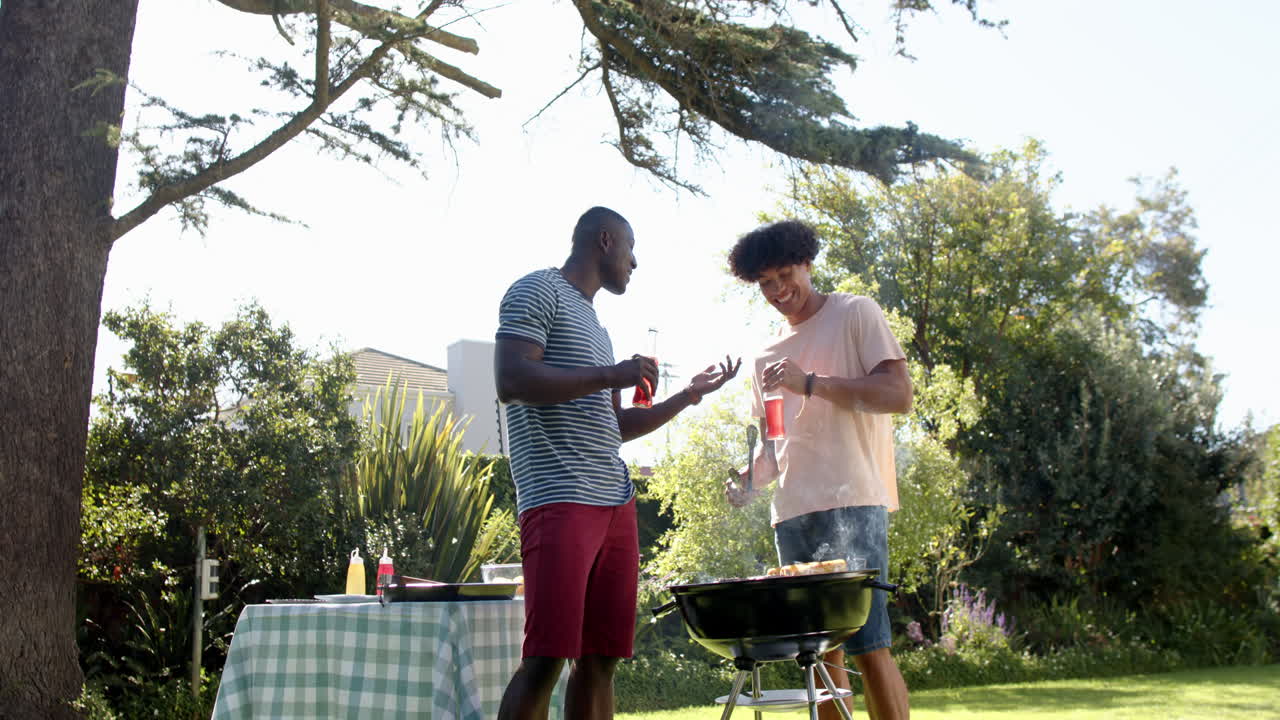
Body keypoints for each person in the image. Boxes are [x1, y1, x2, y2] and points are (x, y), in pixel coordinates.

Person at [494, 206, 740, 720]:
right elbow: (512, 380)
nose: (635, 262)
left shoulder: (596, 326)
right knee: (545, 659)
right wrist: (613, 373)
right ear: (605, 242)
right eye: (631, 248)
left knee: (601, 661)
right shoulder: (536, 290)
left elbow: (615, 429)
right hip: (560, 497)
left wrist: (687, 397)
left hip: (616, 502)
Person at [724, 219, 913, 720]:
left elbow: (899, 395)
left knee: (869, 644)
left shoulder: (854, 313)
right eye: (765, 283)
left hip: (853, 502)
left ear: (807, 263)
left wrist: (812, 383)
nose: (778, 290)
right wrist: (748, 481)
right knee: (819, 658)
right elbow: (774, 449)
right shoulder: (766, 356)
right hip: (792, 516)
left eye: (786, 274)